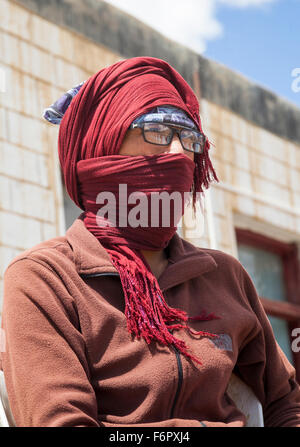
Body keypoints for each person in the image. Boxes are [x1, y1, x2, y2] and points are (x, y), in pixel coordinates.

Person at [1, 56, 300, 427]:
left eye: (190, 138)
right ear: (102, 145)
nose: (179, 154)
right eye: (158, 131)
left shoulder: (226, 275)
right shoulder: (45, 278)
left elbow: (288, 403)